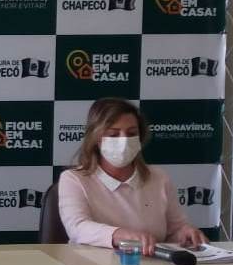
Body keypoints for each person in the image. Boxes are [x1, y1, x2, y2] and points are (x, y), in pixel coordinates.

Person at [58, 97, 208, 255]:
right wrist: (120, 235)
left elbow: (175, 230)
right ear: (96, 139)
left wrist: (185, 233)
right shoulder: (74, 179)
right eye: (113, 134)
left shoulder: (159, 178)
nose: (123, 141)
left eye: (131, 133)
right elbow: (77, 228)